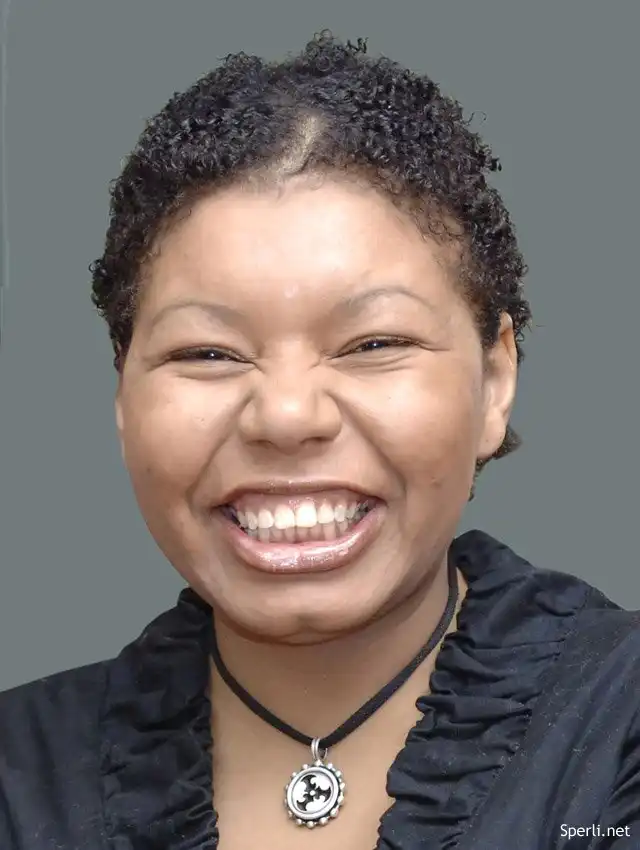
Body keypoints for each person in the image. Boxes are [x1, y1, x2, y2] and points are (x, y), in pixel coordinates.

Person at [1, 30, 639, 850]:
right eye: (209, 354)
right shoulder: (19, 777)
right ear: (123, 394)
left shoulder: (619, 728)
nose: (287, 415)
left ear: (495, 379)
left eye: (373, 343)